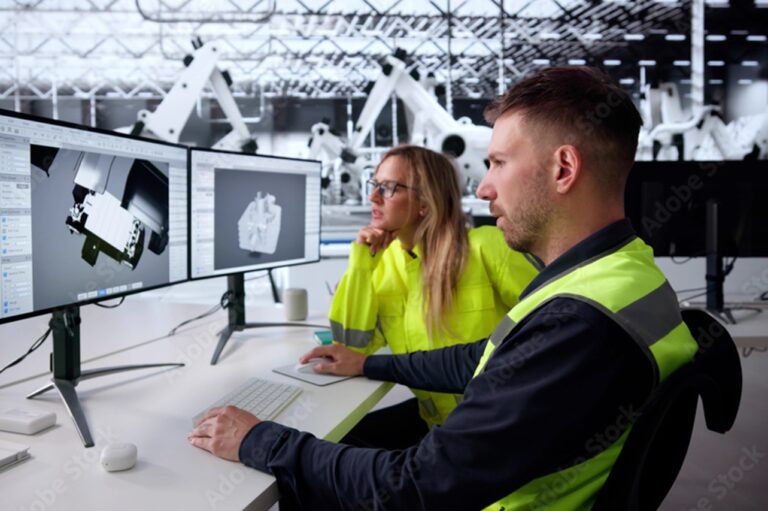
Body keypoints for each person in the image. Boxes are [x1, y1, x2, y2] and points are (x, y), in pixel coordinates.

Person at [188, 66, 700, 510]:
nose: (481, 185)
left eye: (498, 162)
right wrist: (369, 363)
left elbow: (417, 490)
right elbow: (490, 356)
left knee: (296, 479)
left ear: (563, 168)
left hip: (495, 497)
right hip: (515, 466)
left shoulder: (577, 319)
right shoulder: (622, 275)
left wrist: (261, 440)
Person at [329, 144, 539, 447]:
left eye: (388, 188)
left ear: (424, 202)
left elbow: (551, 334)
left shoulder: (485, 247)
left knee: (332, 465)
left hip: (502, 430)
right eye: (374, 185)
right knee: (331, 446)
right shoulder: (386, 262)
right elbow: (349, 345)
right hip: (441, 430)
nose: (372, 197)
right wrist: (361, 264)